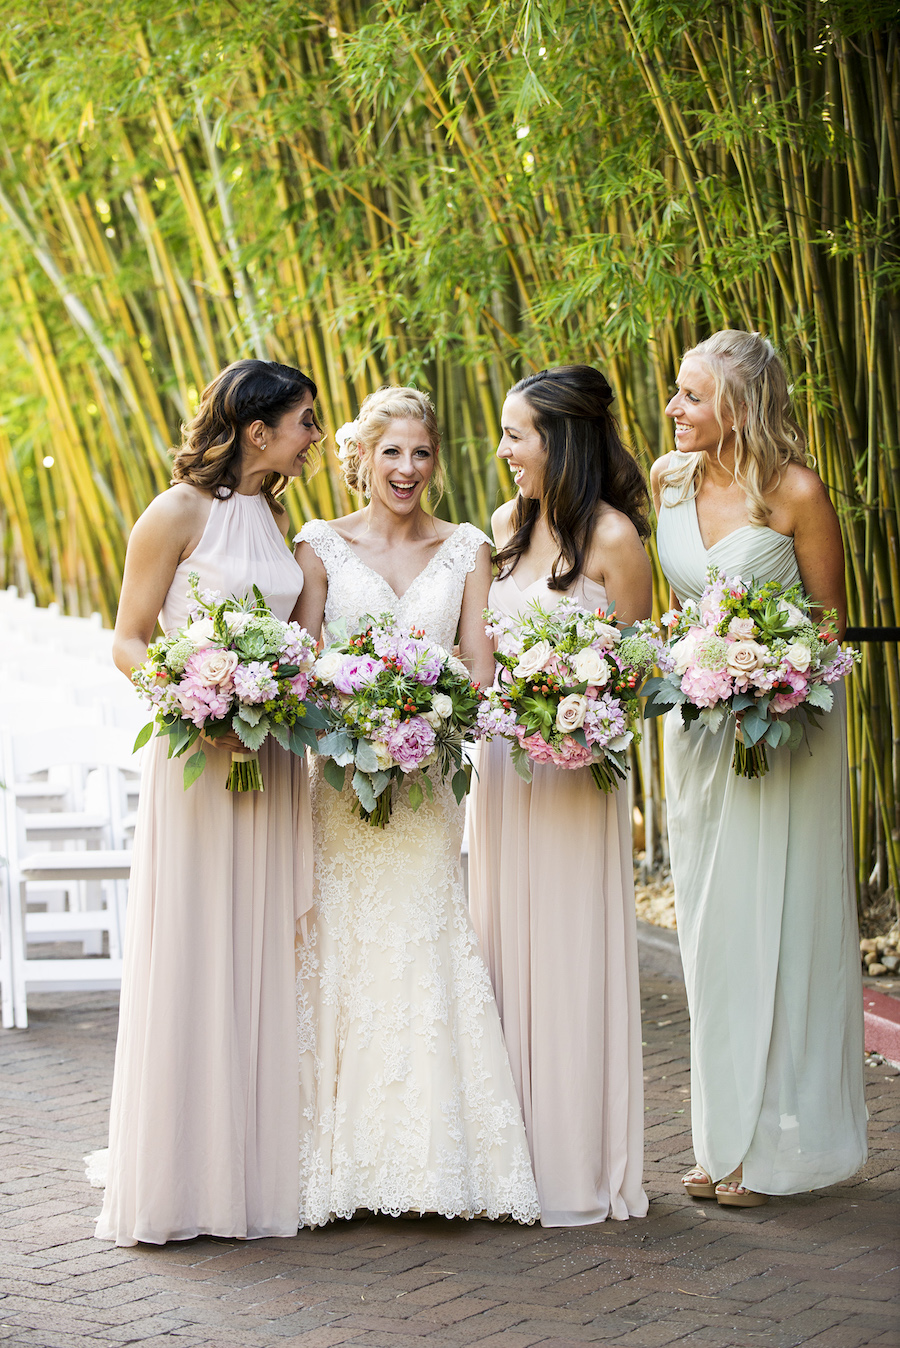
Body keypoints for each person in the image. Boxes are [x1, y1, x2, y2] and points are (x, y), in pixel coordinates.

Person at [293, 386, 540, 1226]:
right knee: (347, 943)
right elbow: (305, 659)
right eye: (390, 452)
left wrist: (422, 705)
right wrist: (362, 714)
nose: (406, 469)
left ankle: (431, 1161)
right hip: (341, 784)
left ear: (437, 459)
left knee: (425, 936)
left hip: (427, 780)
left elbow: (478, 664)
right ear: (360, 455)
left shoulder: (467, 547)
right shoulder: (318, 546)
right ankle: (341, 1160)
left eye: (420, 453)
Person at [94, 359, 319, 1245]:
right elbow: (127, 637)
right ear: (258, 430)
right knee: (197, 947)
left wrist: (276, 700)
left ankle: (255, 1169)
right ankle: (183, 1179)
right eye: (305, 422)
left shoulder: (274, 515)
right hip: (200, 763)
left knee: (259, 948)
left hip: (269, 766)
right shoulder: (178, 510)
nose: (312, 438)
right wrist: (196, 702)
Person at [652, 329, 867, 1207]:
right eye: (676, 390)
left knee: (771, 926)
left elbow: (830, 630)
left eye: (693, 396)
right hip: (697, 737)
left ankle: (760, 1146)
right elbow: (676, 607)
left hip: (781, 742)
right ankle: (717, 1135)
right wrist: (691, 656)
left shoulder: (796, 493)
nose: (674, 408)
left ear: (738, 408)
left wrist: (766, 673)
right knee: (707, 931)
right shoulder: (669, 482)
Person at [468, 365, 652, 1227]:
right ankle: (507, 1164)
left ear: (562, 441)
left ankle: (574, 1165)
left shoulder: (615, 539)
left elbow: (638, 676)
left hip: (578, 783)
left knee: (570, 958)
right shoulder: (507, 526)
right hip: (508, 776)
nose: (503, 451)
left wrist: (578, 711)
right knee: (502, 951)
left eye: (517, 435)